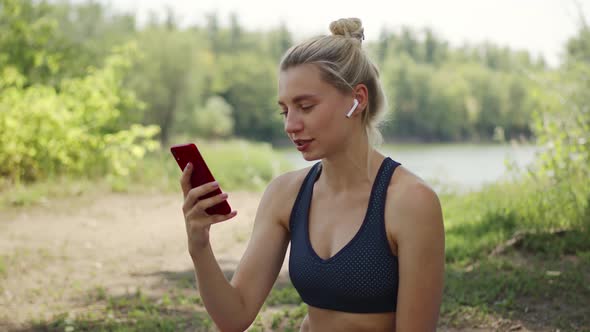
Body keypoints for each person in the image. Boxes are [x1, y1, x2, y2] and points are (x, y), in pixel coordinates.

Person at [179, 17, 445, 332]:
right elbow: (234, 316)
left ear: (357, 100)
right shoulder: (285, 194)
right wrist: (199, 245)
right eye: (285, 110)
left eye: (305, 107)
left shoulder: (411, 202)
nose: (290, 125)